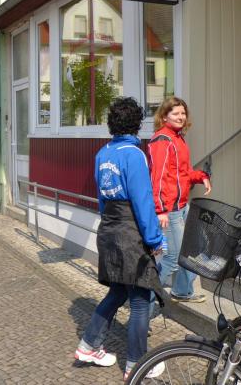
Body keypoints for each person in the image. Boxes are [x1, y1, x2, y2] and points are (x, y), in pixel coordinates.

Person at [74, 97, 166, 380]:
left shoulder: (103, 153)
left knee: (117, 292)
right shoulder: (134, 154)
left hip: (109, 229)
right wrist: (155, 240)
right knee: (140, 299)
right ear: (137, 123)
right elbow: (142, 201)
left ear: (111, 123)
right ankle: (137, 365)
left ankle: (88, 345)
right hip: (130, 233)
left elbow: (102, 199)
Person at [148, 96, 212, 304]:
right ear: (164, 116)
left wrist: (201, 177)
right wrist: (161, 210)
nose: (180, 117)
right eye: (175, 113)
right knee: (171, 258)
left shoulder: (178, 139)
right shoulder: (162, 140)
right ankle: (145, 302)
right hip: (170, 210)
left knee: (191, 250)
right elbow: (157, 178)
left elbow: (183, 173)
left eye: (183, 113)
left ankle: (182, 291)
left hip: (182, 205)